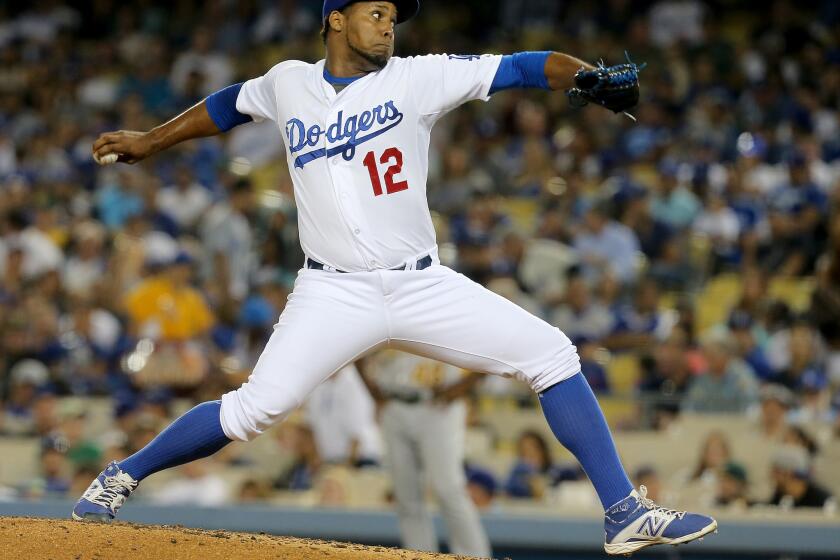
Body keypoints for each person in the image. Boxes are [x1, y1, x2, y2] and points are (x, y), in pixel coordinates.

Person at [73, 1, 716, 554]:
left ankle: (624, 513)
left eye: (392, 16)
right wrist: (153, 140)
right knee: (253, 409)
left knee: (552, 354)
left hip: (419, 285)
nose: (388, 26)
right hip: (332, 290)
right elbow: (227, 105)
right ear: (336, 19)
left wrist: (588, 78)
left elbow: (522, 64)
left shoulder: (419, 78)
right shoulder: (288, 82)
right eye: (375, 13)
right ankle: (119, 477)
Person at [358, 351, 489, 556]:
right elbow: (357, 344)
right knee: (406, 497)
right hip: (393, 402)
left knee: (448, 489)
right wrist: (370, 388)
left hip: (438, 404)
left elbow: (490, 352)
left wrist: (461, 387)